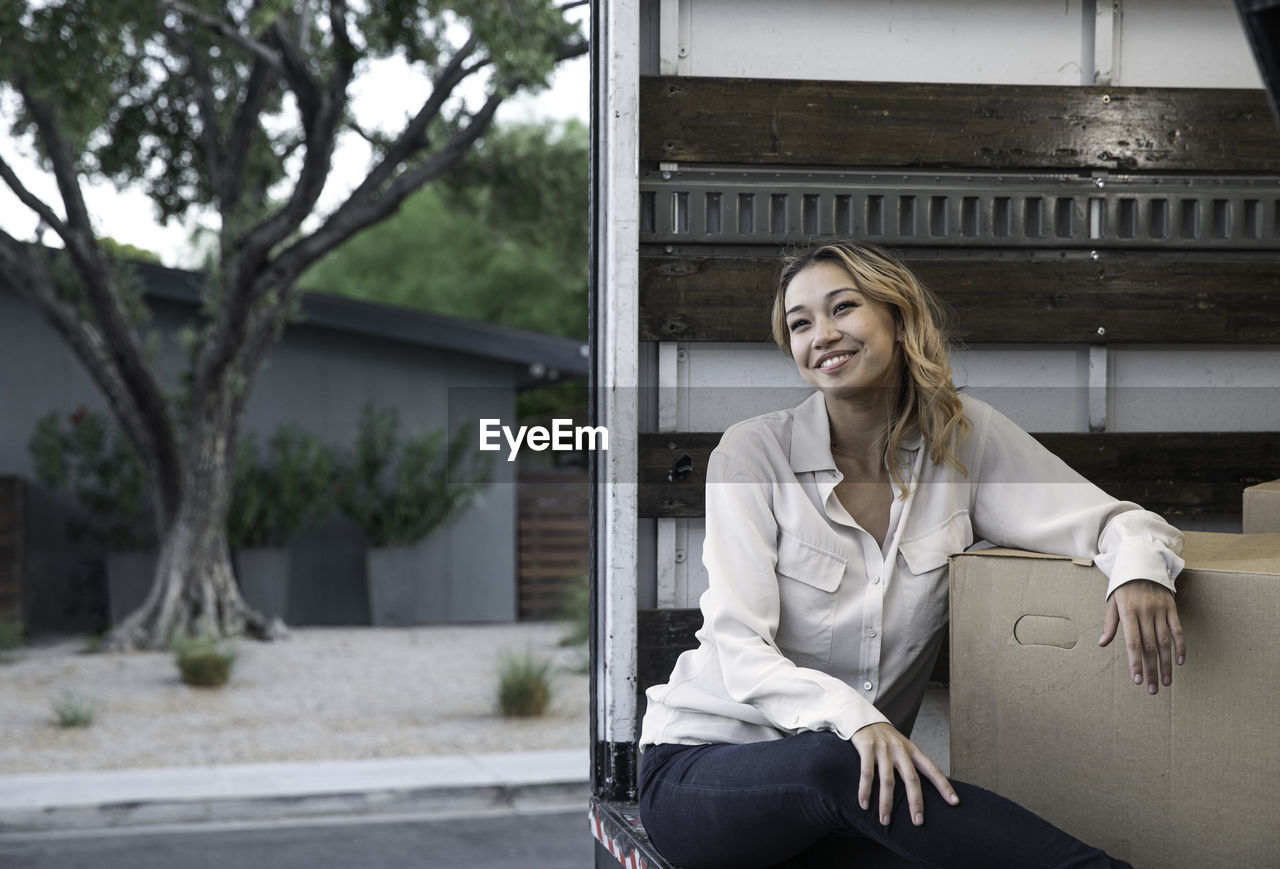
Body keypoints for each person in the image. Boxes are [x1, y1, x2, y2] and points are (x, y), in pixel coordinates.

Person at [637, 242, 1186, 869]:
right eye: (800, 323)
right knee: (828, 758)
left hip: (856, 796)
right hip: (708, 771)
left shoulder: (961, 442)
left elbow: (1118, 521)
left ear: (898, 319)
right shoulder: (752, 454)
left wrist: (1139, 572)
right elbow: (738, 645)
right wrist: (854, 720)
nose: (822, 335)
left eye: (843, 307)